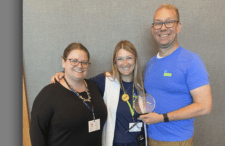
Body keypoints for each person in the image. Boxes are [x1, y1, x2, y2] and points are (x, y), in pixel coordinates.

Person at [138, 4, 213, 146]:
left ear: (178, 26)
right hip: (150, 137)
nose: (163, 27)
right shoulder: (150, 64)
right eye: (158, 23)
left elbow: (204, 106)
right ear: (153, 29)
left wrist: (162, 118)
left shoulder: (192, 61)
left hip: (177, 140)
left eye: (169, 22)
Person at [51, 40, 147, 146]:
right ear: (115, 62)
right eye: (120, 59)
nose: (125, 63)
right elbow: (80, 82)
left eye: (129, 58)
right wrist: (65, 74)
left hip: (139, 143)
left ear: (135, 60)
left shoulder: (142, 85)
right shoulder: (105, 80)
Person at [30, 43, 107, 146]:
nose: (79, 66)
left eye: (84, 62)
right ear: (63, 62)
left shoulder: (94, 86)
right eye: (73, 61)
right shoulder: (48, 94)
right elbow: (37, 135)